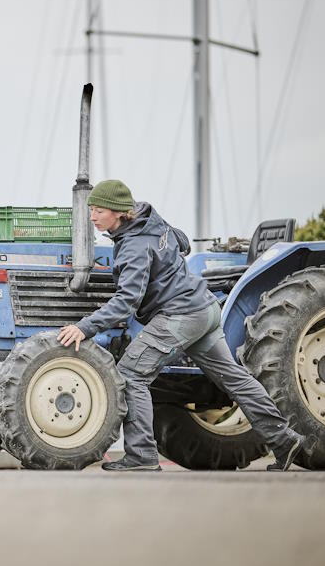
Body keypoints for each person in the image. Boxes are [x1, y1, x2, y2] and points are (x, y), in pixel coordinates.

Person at [56, 179, 307, 472]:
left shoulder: (133, 247)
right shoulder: (150, 218)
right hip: (204, 308)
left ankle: (141, 456)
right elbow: (183, 241)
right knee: (235, 380)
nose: (92, 216)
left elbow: (126, 303)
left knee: (130, 373)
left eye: (98, 211)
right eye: (91, 210)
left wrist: (84, 327)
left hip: (180, 316)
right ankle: (284, 440)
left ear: (118, 211)